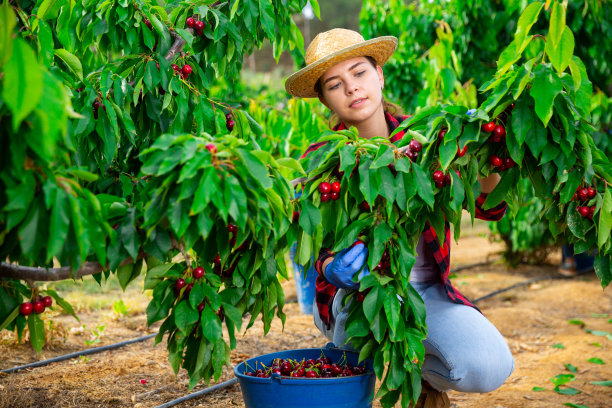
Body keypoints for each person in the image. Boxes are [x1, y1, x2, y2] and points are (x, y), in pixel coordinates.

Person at [285, 29, 514, 407]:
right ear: (325, 99)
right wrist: (330, 269)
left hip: (426, 291)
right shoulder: (324, 159)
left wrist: (484, 150)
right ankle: (364, 357)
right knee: (361, 347)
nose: (352, 89)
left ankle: (417, 372)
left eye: (359, 73)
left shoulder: (426, 140)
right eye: (335, 84)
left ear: (380, 76)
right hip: (357, 294)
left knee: (489, 365)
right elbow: (314, 245)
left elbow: (489, 207)